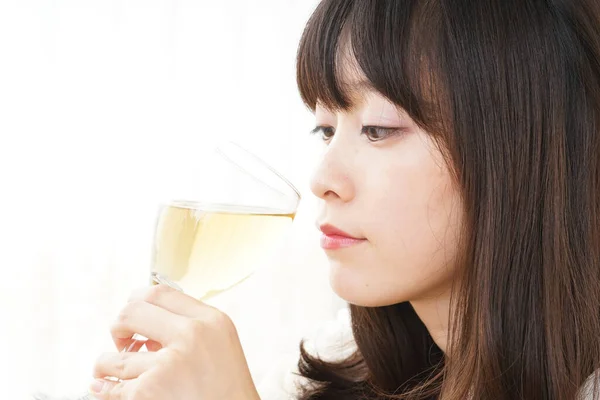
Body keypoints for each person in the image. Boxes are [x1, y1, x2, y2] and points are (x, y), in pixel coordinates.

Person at [89, 0, 600, 399]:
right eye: (325, 129)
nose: (323, 179)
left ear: (518, 150)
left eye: (377, 129)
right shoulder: (334, 368)